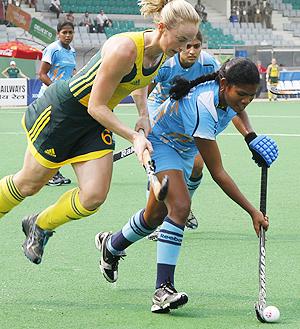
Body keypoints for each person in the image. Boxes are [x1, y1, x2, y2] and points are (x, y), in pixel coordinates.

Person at [0, 0, 200, 266]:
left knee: (93, 196)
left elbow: (140, 80)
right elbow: (96, 105)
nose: (185, 47)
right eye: (182, 39)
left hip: (94, 123)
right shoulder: (125, 48)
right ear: (162, 27)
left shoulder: (162, 52)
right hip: (65, 113)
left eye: (190, 40)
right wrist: (134, 136)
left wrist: (143, 115)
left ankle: (39, 225)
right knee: (29, 184)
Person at [95, 58, 278, 313]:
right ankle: (163, 290)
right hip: (160, 142)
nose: (246, 100)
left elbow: (237, 110)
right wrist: (252, 212)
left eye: (251, 95)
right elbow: (218, 172)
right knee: (180, 207)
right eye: (242, 94)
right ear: (224, 84)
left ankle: (111, 245)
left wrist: (250, 137)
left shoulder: (228, 96)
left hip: (183, 147)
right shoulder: (203, 105)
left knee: (154, 216)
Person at [146, 30, 220, 239]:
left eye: (196, 46)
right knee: (162, 167)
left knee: (197, 165)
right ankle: (156, 218)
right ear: (179, 47)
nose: (192, 51)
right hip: (159, 108)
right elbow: (147, 89)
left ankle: (185, 204)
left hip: (187, 112)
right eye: (187, 46)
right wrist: (144, 119)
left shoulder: (208, 63)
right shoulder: (167, 64)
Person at [37, 21, 76, 186]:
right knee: (51, 135)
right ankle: (47, 174)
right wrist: (56, 90)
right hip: (50, 99)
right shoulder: (53, 49)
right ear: (58, 33)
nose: (67, 35)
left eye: (70, 32)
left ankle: (53, 172)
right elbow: (42, 74)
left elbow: (71, 72)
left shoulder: (72, 51)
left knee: (62, 135)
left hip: (64, 99)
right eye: (64, 32)